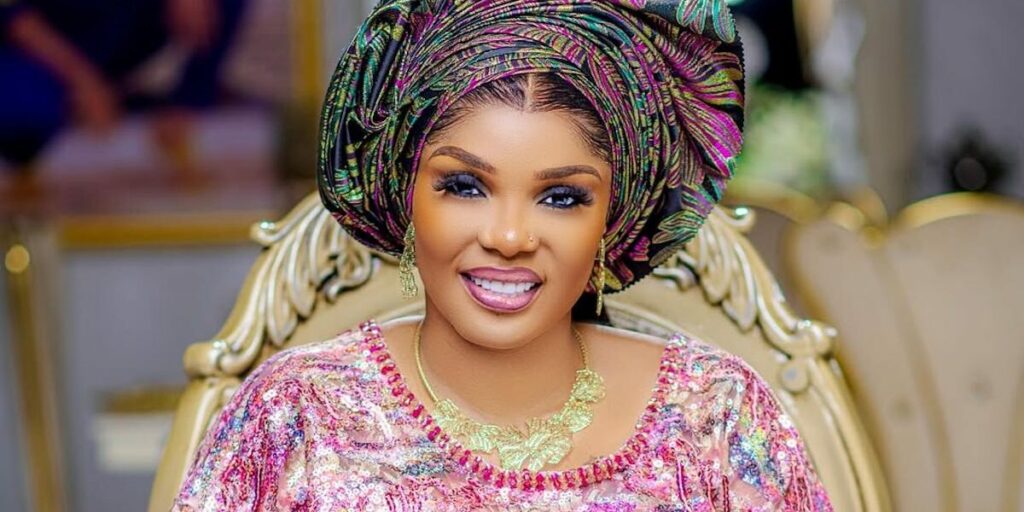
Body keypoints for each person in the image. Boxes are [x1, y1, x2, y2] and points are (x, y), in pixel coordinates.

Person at [173, 0, 835, 509]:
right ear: (405, 194)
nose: (510, 237)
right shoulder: (296, 414)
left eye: (562, 197)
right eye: (465, 186)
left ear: (613, 216)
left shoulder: (715, 415)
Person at [0, 0, 248, 167]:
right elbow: (14, 14)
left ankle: (184, 108)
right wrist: (83, 80)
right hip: (39, 48)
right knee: (25, 108)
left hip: (120, 30)